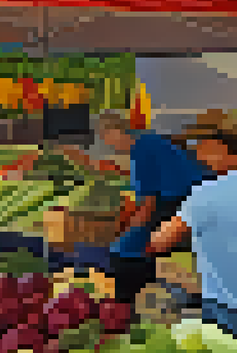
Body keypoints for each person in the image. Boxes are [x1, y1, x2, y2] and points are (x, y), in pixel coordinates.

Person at [63, 111, 207, 300]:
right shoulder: (147, 141)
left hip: (181, 202)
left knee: (125, 253)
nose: (107, 144)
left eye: (105, 137)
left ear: (115, 132)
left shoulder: (141, 151)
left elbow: (148, 206)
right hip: (192, 199)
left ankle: (128, 300)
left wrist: (130, 235)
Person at [148, 123, 237, 346]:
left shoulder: (208, 194)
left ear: (222, 148)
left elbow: (161, 241)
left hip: (230, 310)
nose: (199, 157)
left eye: (203, 147)